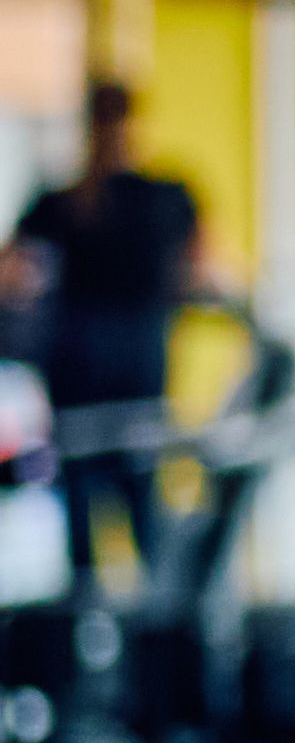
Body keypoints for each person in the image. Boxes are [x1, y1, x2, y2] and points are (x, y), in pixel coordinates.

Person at [8, 80, 212, 575]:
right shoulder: (62, 203)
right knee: (87, 526)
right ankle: (95, 636)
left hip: (135, 384)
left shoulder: (164, 196)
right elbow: (13, 268)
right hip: (81, 386)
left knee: (141, 516)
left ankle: (151, 632)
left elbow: (203, 265)